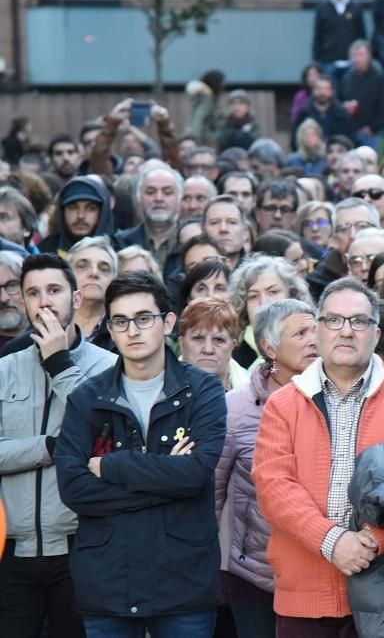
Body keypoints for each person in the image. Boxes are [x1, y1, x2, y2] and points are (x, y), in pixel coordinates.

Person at [251, 277, 384, 634]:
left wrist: (375, 541)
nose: (346, 331)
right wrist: (332, 540)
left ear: (375, 334)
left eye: (359, 321)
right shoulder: (283, 405)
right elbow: (273, 487)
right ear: (317, 330)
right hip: (303, 597)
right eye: (333, 320)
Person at [54, 271, 227, 636]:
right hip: (108, 581)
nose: (132, 330)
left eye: (143, 318)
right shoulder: (87, 399)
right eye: (121, 321)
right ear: (111, 330)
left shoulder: (204, 392)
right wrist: (167, 476)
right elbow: (74, 489)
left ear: (167, 323)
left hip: (183, 581)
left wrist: (114, 465)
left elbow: (196, 474)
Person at [0, 254, 117, 637]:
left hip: (79, 549)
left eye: (54, 290)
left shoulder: (107, 367)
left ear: (77, 299)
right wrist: (51, 446)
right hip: (10, 552)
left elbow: (103, 435)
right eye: (33, 292)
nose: (44, 302)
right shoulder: (5, 367)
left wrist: (59, 364)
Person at [216, 298, 318, 637]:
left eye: (316, 330)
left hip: (319, 562)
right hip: (252, 570)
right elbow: (215, 492)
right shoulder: (235, 408)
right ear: (269, 347)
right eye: (301, 333)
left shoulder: (334, 399)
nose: (313, 340)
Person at [229, 254, 313, 369]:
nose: (263, 302)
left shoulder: (314, 341)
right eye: (253, 296)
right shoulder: (233, 353)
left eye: (273, 292)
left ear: (293, 294)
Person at [114, 161, 183, 279]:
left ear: (179, 198)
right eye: (150, 192)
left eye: (167, 192)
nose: (159, 198)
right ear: (138, 198)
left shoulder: (190, 243)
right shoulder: (119, 243)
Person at [178, 297, 248, 392]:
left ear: (232, 346)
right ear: (182, 343)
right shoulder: (158, 392)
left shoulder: (256, 390)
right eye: (198, 338)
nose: (208, 350)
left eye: (219, 340)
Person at [312, 0, 366, 80]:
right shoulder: (321, 9)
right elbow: (318, 37)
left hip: (352, 62)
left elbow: (362, 35)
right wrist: (317, 61)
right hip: (328, 63)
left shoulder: (356, 8)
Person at [66, 236, 118, 341]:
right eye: (82, 266)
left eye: (104, 269)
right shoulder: (50, 325)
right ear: (67, 277)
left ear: (114, 280)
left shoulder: (124, 331)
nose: (94, 273)